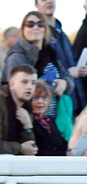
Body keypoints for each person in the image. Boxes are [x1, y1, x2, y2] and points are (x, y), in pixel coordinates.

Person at [4, 11, 75, 139]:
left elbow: (68, 78)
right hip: (30, 123)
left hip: (54, 121)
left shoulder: (50, 53)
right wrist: (53, 87)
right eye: (30, 24)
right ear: (23, 29)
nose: (36, 27)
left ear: (45, 29)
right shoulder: (17, 56)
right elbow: (18, 92)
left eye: (40, 24)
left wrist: (65, 83)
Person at [34, 0, 87, 114]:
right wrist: (66, 73)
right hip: (55, 104)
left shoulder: (62, 33)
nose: (49, 1)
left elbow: (72, 61)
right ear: (37, 5)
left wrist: (80, 69)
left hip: (73, 100)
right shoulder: (39, 35)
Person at [1, 64, 38, 155]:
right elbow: (24, 148)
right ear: (11, 84)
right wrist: (20, 148)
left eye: (33, 83)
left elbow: (30, 148)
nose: (30, 87)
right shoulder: (1, 103)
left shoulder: (27, 106)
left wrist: (28, 127)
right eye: (24, 82)